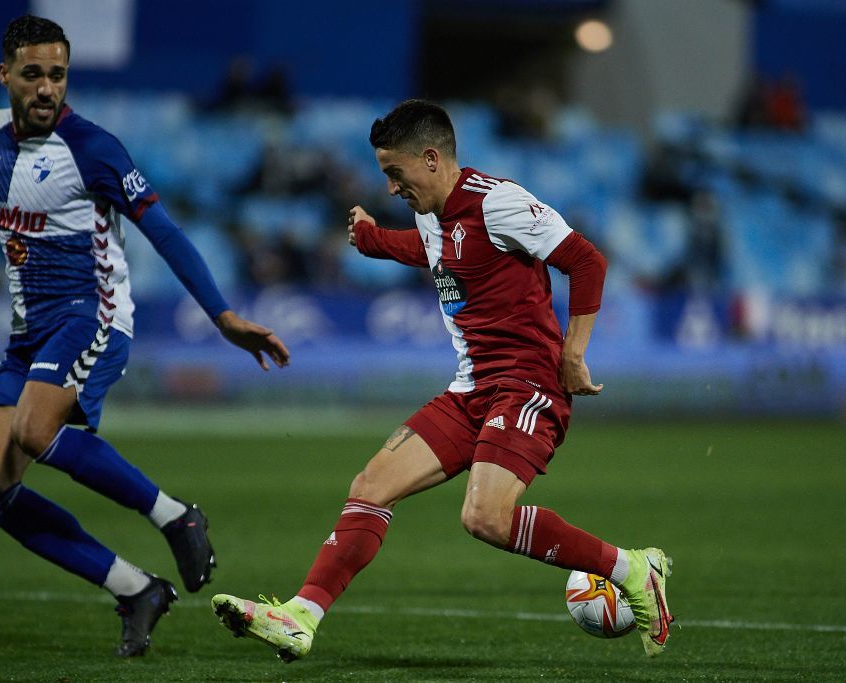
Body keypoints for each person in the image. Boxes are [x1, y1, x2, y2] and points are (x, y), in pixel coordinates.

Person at [210, 99, 673, 660]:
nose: (390, 187)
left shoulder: (497, 202)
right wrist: (375, 240)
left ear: (431, 159)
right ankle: (300, 617)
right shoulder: (434, 214)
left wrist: (574, 354)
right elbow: (435, 253)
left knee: (484, 517)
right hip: (471, 389)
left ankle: (633, 568)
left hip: (527, 385)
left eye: (394, 173)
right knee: (370, 487)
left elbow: (586, 261)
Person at [0, 15, 290, 657]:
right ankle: (135, 588)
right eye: (33, 75)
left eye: (57, 75)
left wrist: (222, 316)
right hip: (30, 331)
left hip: (94, 316)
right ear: (5, 76)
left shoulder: (94, 148)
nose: (47, 88)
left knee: (33, 429)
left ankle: (175, 515)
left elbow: (164, 231)